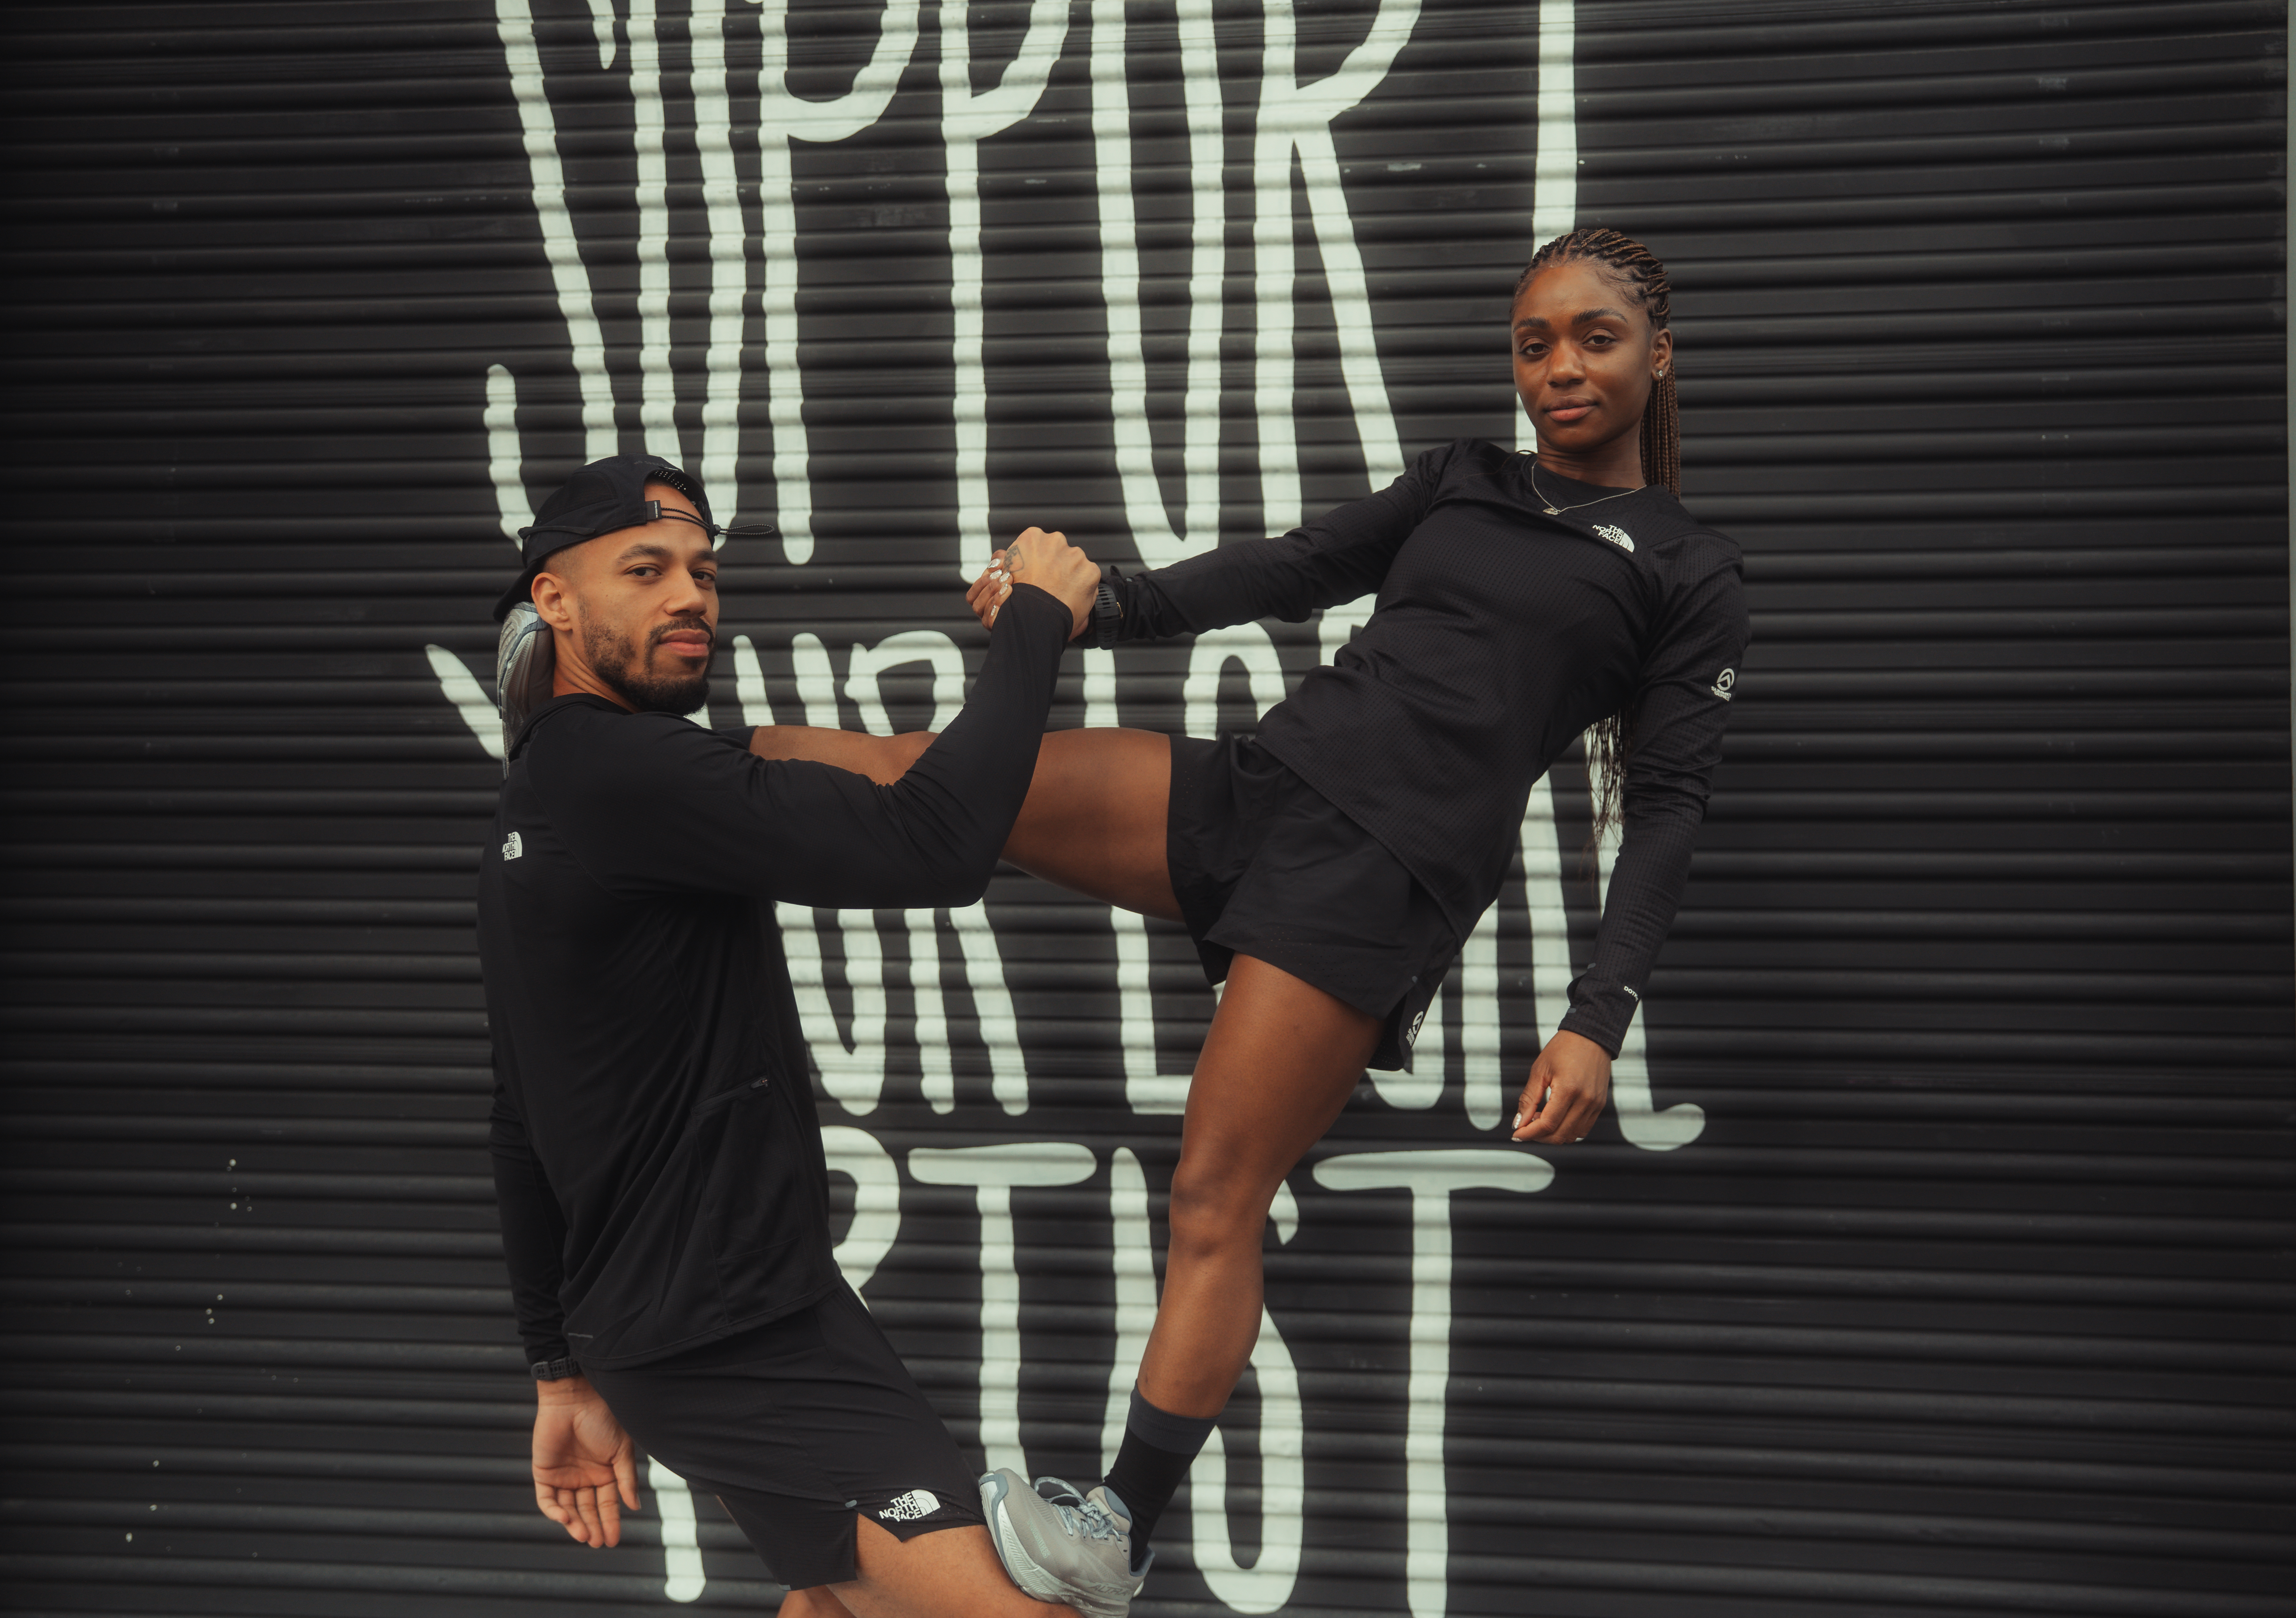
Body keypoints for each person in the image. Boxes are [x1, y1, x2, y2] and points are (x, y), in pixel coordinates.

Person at [962, 229, 1750, 1617]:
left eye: (1596, 338)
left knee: (1215, 1195)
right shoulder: (1463, 476)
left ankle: (1114, 1531)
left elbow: (1668, 808)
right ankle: (679, 813)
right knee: (951, 784)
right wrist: (1094, 609)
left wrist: (1598, 1016)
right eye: (1534, 345)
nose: (1561, 368)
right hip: (1268, 782)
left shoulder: (1686, 568)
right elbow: (1290, 569)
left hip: (1382, 872)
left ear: (1659, 354)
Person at [477, 452, 1101, 1618]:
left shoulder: (556, 787)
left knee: (838, 1605)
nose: (691, 597)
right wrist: (1035, 623)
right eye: (646, 570)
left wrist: (559, 1369)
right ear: (553, 600)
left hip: (748, 1312)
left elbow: (524, 1114)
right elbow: (932, 846)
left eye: (705, 572)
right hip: (724, 1339)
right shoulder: (615, 772)